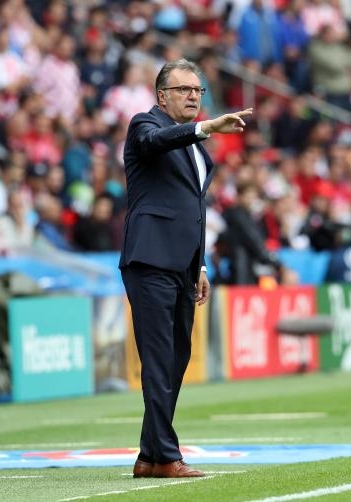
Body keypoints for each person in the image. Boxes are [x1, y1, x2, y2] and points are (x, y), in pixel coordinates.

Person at [119, 58, 251, 478]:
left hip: (184, 265)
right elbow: (155, 142)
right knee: (159, 359)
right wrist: (206, 127)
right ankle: (166, 455)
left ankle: (148, 456)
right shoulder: (145, 125)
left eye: (198, 90)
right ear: (162, 96)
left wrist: (202, 266)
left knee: (176, 359)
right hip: (150, 259)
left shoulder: (195, 146)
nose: (193, 96)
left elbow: (193, 210)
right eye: (183, 90)